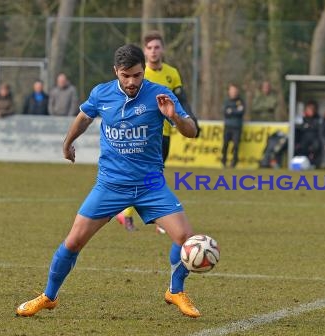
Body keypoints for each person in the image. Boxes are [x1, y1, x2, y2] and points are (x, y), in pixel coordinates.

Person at [15, 44, 202, 318]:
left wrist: (173, 117)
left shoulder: (161, 95)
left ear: (144, 71)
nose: (132, 82)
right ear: (116, 72)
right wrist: (68, 143)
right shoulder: (101, 93)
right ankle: (49, 296)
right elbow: (84, 117)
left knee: (186, 238)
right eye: (126, 76)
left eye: (137, 75)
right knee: (73, 242)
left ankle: (175, 291)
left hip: (151, 184)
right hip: (111, 185)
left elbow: (192, 131)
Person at [116, 30, 198, 233]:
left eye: (157, 47)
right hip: (141, 135)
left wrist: (190, 118)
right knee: (145, 175)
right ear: (144, 51)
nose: (153, 51)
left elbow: (182, 99)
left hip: (166, 133)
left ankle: (148, 214)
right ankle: (142, 215)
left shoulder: (172, 73)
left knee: (155, 173)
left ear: (163, 49)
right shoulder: (139, 74)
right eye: (149, 48)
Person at [221, 83, 245, 168]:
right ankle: (223, 161)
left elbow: (241, 112)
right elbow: (225, 112)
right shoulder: (226, 101)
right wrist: (235, 111)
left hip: (237, 127)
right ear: (229, 91)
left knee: (235, 145)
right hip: (228, 126)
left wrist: (231, 111)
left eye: (235, 91)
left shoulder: (240, 101)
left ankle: (234, 163)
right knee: (225, 145)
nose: (233, 92)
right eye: (232, 91)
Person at [294, 100, 322, 167]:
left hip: (315, 137)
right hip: (304, 137)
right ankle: (303, 164)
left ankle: (313, 164)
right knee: (301, 147)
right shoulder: (301, 117)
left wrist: (308, 126)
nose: (311, 111)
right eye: (309, 109)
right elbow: (298, 127)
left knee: (316, 146)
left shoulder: (318, 118)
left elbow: (318, 127)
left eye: (312, 109)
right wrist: (305, 126)